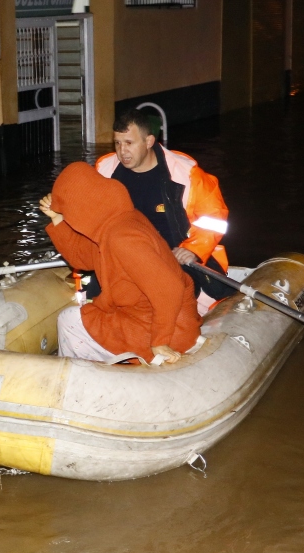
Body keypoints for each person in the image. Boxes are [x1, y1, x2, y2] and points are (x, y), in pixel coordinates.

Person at [40, 162, 200, 364]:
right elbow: (82, 259)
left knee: (70, 320)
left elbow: (168, 288)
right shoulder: (118, 223)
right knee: (90, 313)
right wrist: (57, 218)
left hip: (162, 331)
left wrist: (160, 340)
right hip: (150, 318)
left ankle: (78, 381)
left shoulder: (122, 238)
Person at [95, 107, 235, 314]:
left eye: (129, 143)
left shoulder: (186, 174)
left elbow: (214, 218)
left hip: (176, 258)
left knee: (170, 296)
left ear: (149, 141)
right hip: (125, 259)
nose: (122, 151)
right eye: (117, 143)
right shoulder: (104, 170)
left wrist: (193, 249)